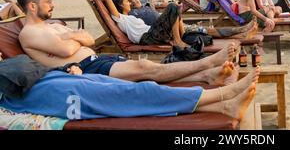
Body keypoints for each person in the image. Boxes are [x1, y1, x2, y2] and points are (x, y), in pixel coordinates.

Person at [16, 0, 238, 85]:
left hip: (96, 59)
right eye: (48, 2)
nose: (52, 5)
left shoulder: (51, 27)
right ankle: (207, 64)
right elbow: (66, 49)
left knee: (145, 76)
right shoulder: (30, 33)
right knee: (144, 68)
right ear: (32, 7)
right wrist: (74, 37)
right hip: (85, 68)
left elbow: (89, 39)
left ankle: (204, 76)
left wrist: (71, 37)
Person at [0, 54, 260, 122]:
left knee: (123, 89)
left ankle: (224, 107)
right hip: (41, 94)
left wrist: (63, 68)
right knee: (138, 92)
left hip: (48, 80)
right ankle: (223, 94)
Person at [123, 0, 258, 40]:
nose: (134, 0)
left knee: (205, 30)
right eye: (130, 0)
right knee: (205, 31)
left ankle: (241, 31)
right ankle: (240, 31)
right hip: (168, 29)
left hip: (175, 24)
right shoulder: (132, 14)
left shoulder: (146, 7)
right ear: (126, 5)